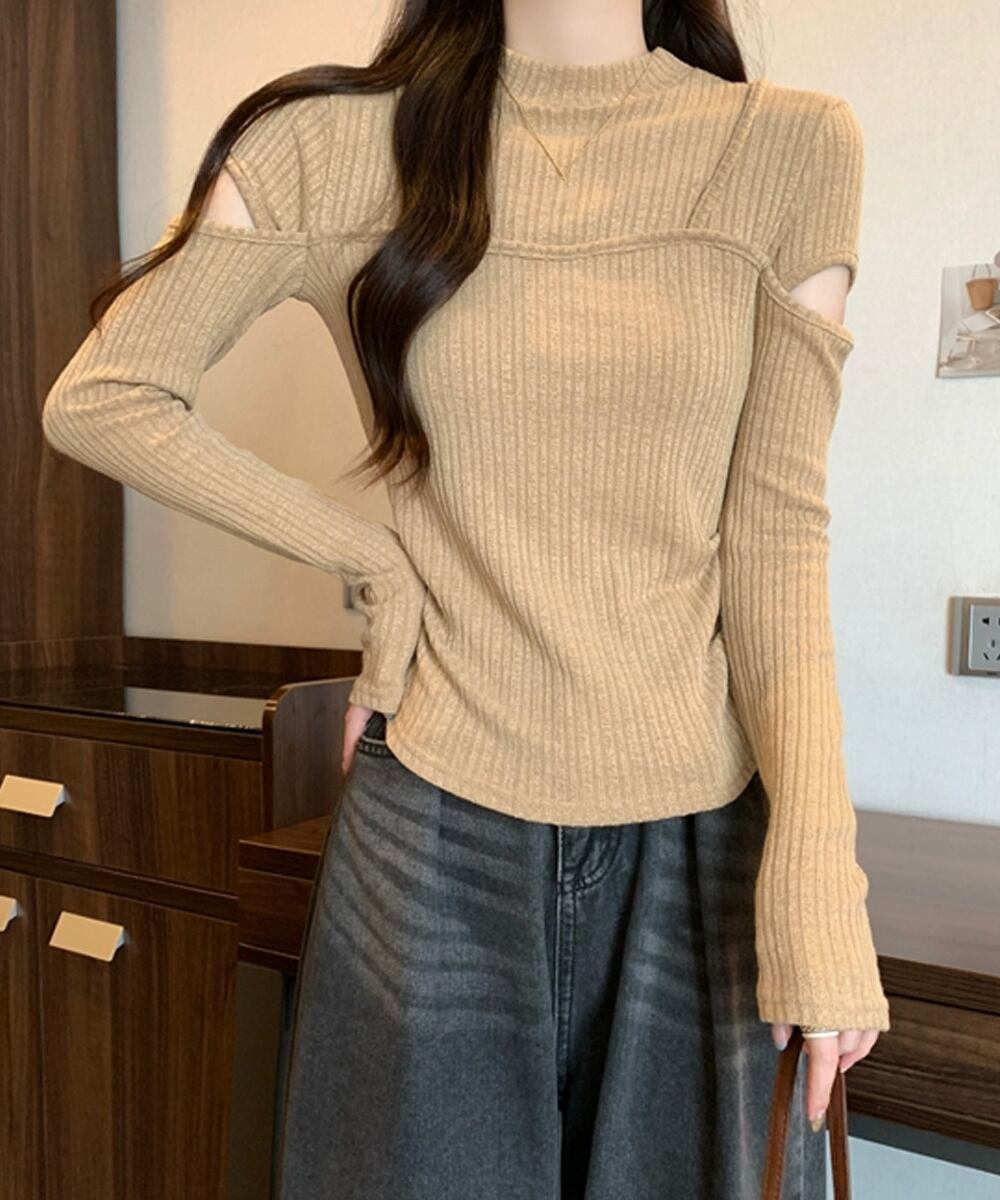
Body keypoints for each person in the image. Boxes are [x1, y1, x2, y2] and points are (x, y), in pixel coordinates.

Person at [41, 1, 890, 1195]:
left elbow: (775, 537)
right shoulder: (333, 143)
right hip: (433, 816)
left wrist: (818, 874)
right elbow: (105, 397)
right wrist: (375, 564)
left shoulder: (787, 146)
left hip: (700, 840)